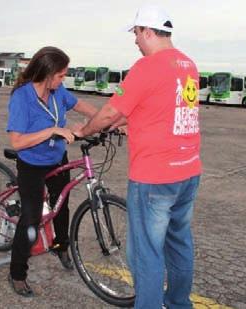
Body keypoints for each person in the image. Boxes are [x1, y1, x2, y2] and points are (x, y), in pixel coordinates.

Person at [75, 5, 202, 308]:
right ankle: (179, 304)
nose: (134, 40)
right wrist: (120, 124)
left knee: (146, 253)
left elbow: (109, 113)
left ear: (147, 31)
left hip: (155, 176)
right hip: (188, 171)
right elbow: (154, 107)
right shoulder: (188, 65)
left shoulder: (147, 66)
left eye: (135, 33)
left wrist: (86, 130)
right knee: (179, 242)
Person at [6, 46, 98, 297]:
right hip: (31, 163)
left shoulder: (58, 92)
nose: (63, 79)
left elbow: (81, 106)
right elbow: (16, 141)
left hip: (56, 157)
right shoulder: (22, 97)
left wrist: (107, 120)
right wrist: (52, 131)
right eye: (60, 75)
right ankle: (17, 273)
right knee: (31, 217)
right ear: (47, 74)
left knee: (62, 206)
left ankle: (61, 246)